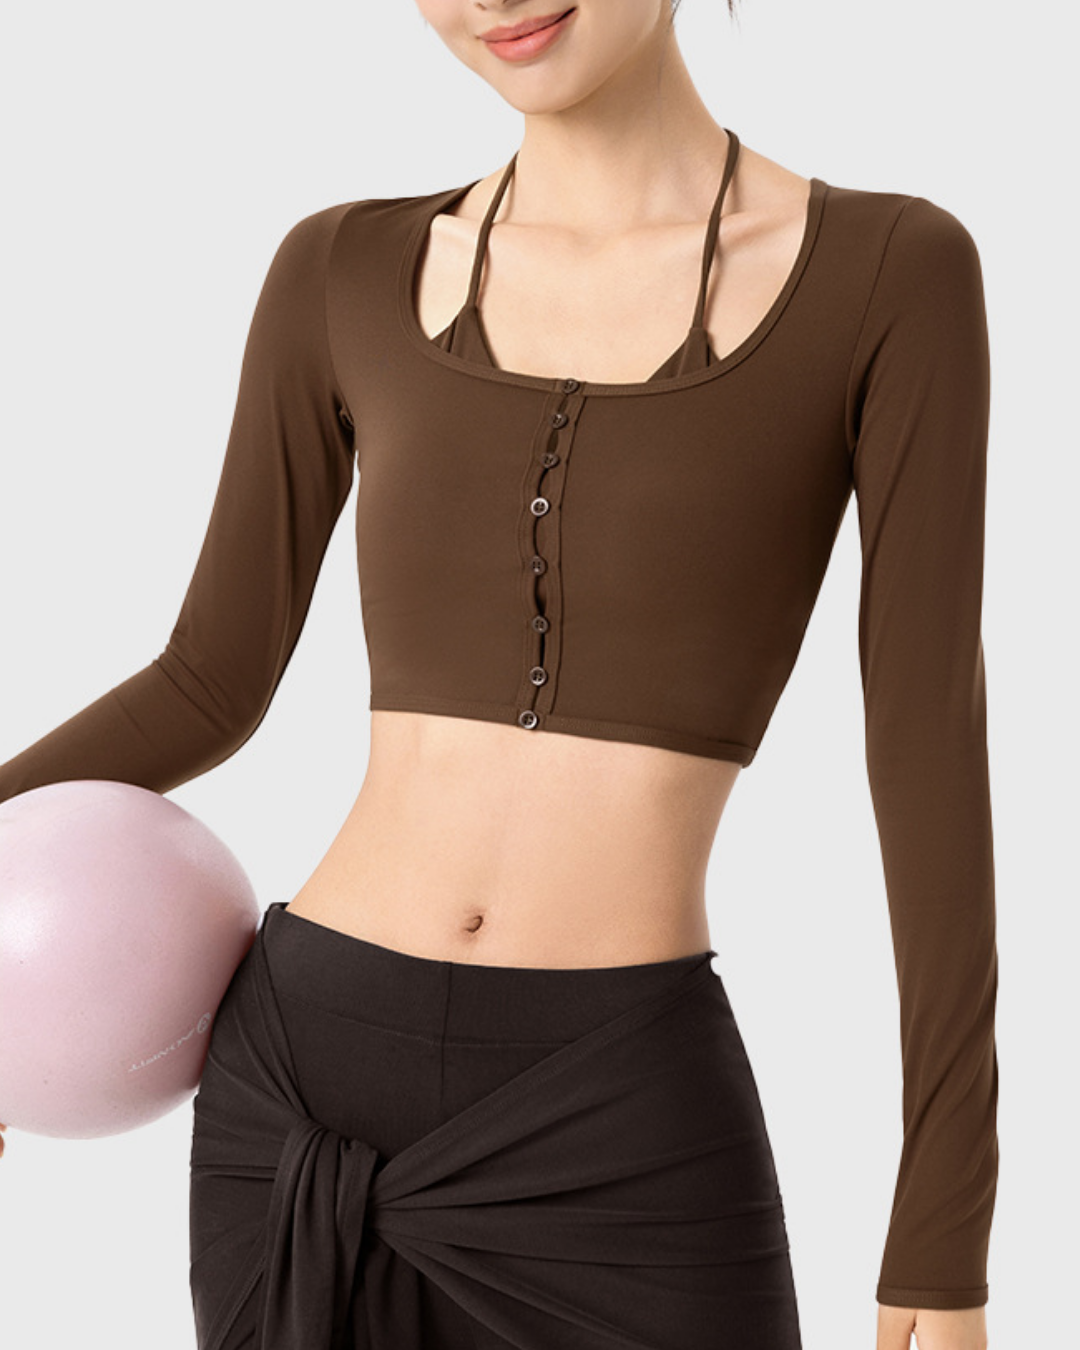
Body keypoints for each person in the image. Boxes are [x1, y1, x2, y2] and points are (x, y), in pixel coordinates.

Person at [0, 2, 999, 1348]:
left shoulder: (891, 273)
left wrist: (943, 1221)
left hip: (618, 1100)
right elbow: (209, 679)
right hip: (301, 1081)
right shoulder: (340, 267)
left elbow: (927, 750)